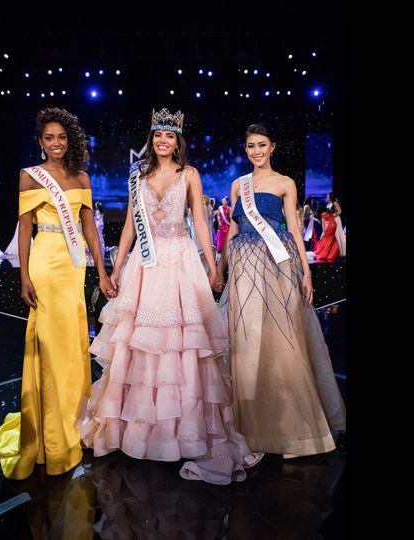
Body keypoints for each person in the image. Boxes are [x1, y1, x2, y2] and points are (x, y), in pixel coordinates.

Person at [79, 108, 261, 485]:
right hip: (145, 268)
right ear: (152, 138)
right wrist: (116, 268)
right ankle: (137, 433)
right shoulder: (137, 175)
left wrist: (214, 266)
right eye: (159, 135)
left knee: (181, 346)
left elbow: (200, 222)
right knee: (142, 345)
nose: (164, 141)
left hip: (180, 262)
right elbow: (130, 228)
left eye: (170, 135)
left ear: (178, 141)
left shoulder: (189, 174)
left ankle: (182, 432)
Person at [0, 107, 113, 480]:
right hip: (44, 262)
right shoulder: (30, 175)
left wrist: (102, 271)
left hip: (73, 267)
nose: (55, 143)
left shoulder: (81, 177)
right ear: (40, 142)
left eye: (61, 137)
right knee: (48, 343)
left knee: (72, 344)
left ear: (69, 139)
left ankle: (73, 421)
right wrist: (24, 275)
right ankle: (49, 433)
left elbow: (89, 229)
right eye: (48, 138)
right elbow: (25, 227)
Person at [218, 123, 346, 458]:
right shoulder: (238, 185)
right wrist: (220, 268)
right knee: (246, 339)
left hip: (277, 266)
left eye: (262, 145)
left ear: (272, 147)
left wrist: (307, 273)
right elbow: (233, 230)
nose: (256, 151)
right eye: (251, 146)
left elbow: (294, 229)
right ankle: (248, 423)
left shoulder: (285, 183)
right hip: (244, 267)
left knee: (280, 339)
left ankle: (288, 426)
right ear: (245, 149)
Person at [326, 192, 346, 257]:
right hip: (331, 220)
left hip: (336, 219)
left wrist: (333, 215)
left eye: (328, 196)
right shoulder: (329, 204)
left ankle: (343, 251)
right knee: (334, 235)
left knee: (339, 234)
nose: (327, 197)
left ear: (330, 197)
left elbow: (340, 211)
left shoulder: (335, 203)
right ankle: (336, 252)